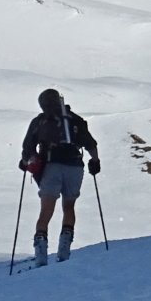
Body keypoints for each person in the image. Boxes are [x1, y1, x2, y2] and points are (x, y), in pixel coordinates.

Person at [19, 88, 100, 266]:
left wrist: (25, 162)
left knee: (46, 211)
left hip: (51, 167)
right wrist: (95, 161)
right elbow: (90, 144)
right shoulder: (75, 120)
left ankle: (41, 256)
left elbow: (28, 148)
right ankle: (64, 251)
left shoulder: (40, 121)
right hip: (75, 166)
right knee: (69, 207)